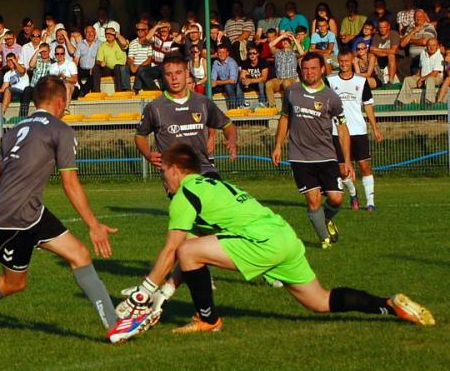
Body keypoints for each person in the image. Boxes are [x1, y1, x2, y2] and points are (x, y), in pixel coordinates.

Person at [107, 143, 434, 342]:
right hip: (285, 236)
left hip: (262, 241)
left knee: (186, 249)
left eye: (164, 171)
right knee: (319, 301)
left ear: (175, 170)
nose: (164, 178)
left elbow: (174, 250)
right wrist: (164, 293)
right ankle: (388, 305)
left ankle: (208, 320)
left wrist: (145, 290)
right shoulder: (210, 185)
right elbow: (190, 257)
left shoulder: (184, 194)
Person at [0, 76, 122, 341]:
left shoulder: (14, 129)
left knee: (80, 255)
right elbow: (69, 183)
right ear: (61, 101)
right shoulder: (60, 129)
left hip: (30, 211)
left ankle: (114, 325)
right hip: (13, 219)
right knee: (13, 284)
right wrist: (93, 225)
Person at [272, 53, 350, 249]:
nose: (309, 72)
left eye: (313, 68)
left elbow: (342, 128)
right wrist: (278, 145)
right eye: (305, 68)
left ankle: (324, 219)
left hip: (326, 155)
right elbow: (284, 119)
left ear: (322, 69)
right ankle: (324, 240)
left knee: (336, 198)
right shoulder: (291, 91)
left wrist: (347, 160)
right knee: (313, 199)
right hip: (300, 156)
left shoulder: (331, 97)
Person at [136, 55, 237, 178]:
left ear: (186, 73)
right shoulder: (154, 107)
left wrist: (231, 139)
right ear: (163, 76)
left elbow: (228, 125)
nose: (174, 78)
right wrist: (147, 154)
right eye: (168, 74)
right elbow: (140, 136)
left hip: (204, 168)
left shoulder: (202, 102)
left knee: (223, 195)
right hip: (175, 174)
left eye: (178, 72)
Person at [327, 49, 382, 212]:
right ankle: (353, 194)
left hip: (358, 129)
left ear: (352, 61)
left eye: (346, 61)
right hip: (338, 131)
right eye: (341, 61)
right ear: (338, 61)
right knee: (342, 170)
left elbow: (368, 106)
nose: (344, 64)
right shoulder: (330, 80)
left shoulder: (361, 81)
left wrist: (375, 127)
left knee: (364, 165)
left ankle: (370, 202)